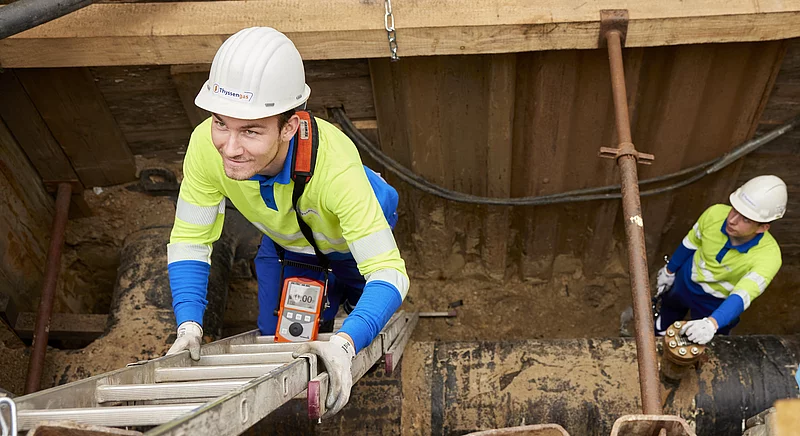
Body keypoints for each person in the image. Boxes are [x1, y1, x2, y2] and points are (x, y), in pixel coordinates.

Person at [164, 27, 409, 417]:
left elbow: (390, 273)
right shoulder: (204, 148)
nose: (229, 147)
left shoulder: (337, 170)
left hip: (348, 237)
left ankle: (347, 304)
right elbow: (191, 239)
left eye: (251, 130)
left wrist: (346, 344)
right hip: (289, 242)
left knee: (360, 314)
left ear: (290, 127)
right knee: (281, 338)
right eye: (220, 123)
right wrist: (188, 326)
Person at [654, 175, 786, 345]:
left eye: (745, 219)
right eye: (734, 210)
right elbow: (691, 242)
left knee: (710, 341)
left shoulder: (769, 257)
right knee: (671, 306)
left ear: (762, 227)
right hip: (687, 279)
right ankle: (661, 331)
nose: (732, 220)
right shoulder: (715, 214)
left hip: (717, 301)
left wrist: (712, 323)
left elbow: (743, 294)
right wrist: (670, 270)